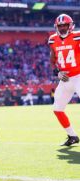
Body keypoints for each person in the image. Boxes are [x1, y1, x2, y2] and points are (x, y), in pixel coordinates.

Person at [48, 13, 80, 146]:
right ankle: (72, 136)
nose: (62, 28)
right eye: (60, 26)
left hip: (79, 76)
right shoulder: (52, 39)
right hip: (65, 79)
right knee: (57, 109)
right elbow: (52, 58)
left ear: (70, 25)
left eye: (65, 25)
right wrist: (57, 72)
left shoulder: (77, 36)